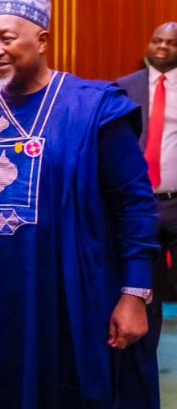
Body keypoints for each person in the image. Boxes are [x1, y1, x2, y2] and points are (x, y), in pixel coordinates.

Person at [0, 0, 159, 408]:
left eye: (6, 38)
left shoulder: (94, 108)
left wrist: (135, 293)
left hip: (70, 297)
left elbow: (134, 204)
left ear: (42, 41)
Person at [118, 22, 177, 353]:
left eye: (171, 43)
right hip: (140, 204)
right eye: (157, 41)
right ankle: (145, 359)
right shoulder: (124, 88)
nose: (163, 48)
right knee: (143, 289)